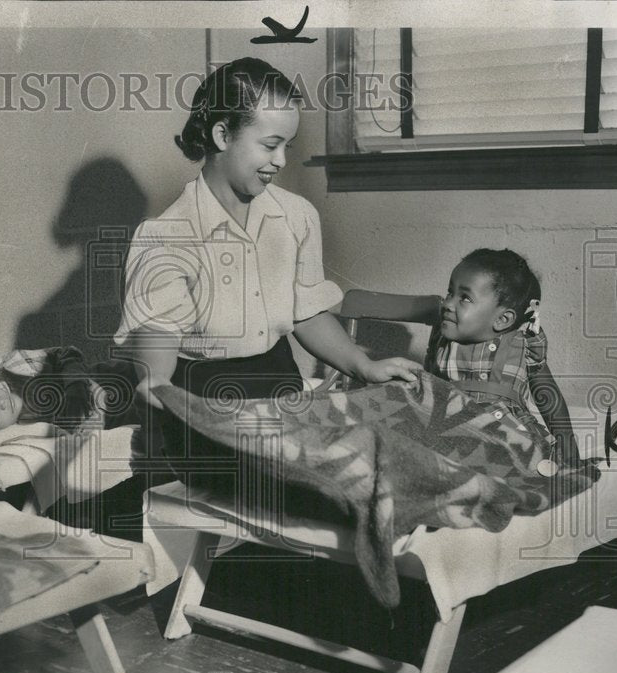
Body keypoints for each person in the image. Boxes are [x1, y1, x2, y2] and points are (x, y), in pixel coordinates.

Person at [113, 57, 421, 476]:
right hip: (203, 395)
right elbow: (158, 340)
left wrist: (361, 363)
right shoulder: (165, 235)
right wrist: (156, 386)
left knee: (378, 456)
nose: (280, 161)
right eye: (269, 144)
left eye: (286, 148)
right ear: (222, 134)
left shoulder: (296, 216)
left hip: (278, 379)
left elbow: (307, 313)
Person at [426, 248, 580, 465]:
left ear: (503, 319)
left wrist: (568, 447)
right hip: (449, 428)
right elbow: (427, 387)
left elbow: (548, 395)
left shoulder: (523, 341)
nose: (448, 304)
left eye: (465, 298)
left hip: (506, 434)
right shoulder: (442, 339)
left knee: (530, 461)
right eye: (450, 292)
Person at [0, 346, 138, 436]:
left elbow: (67, 353)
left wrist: (76, 386)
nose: (1, 402)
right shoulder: (21, 433)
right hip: (125, 420)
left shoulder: (14, 366)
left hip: (123, 378)